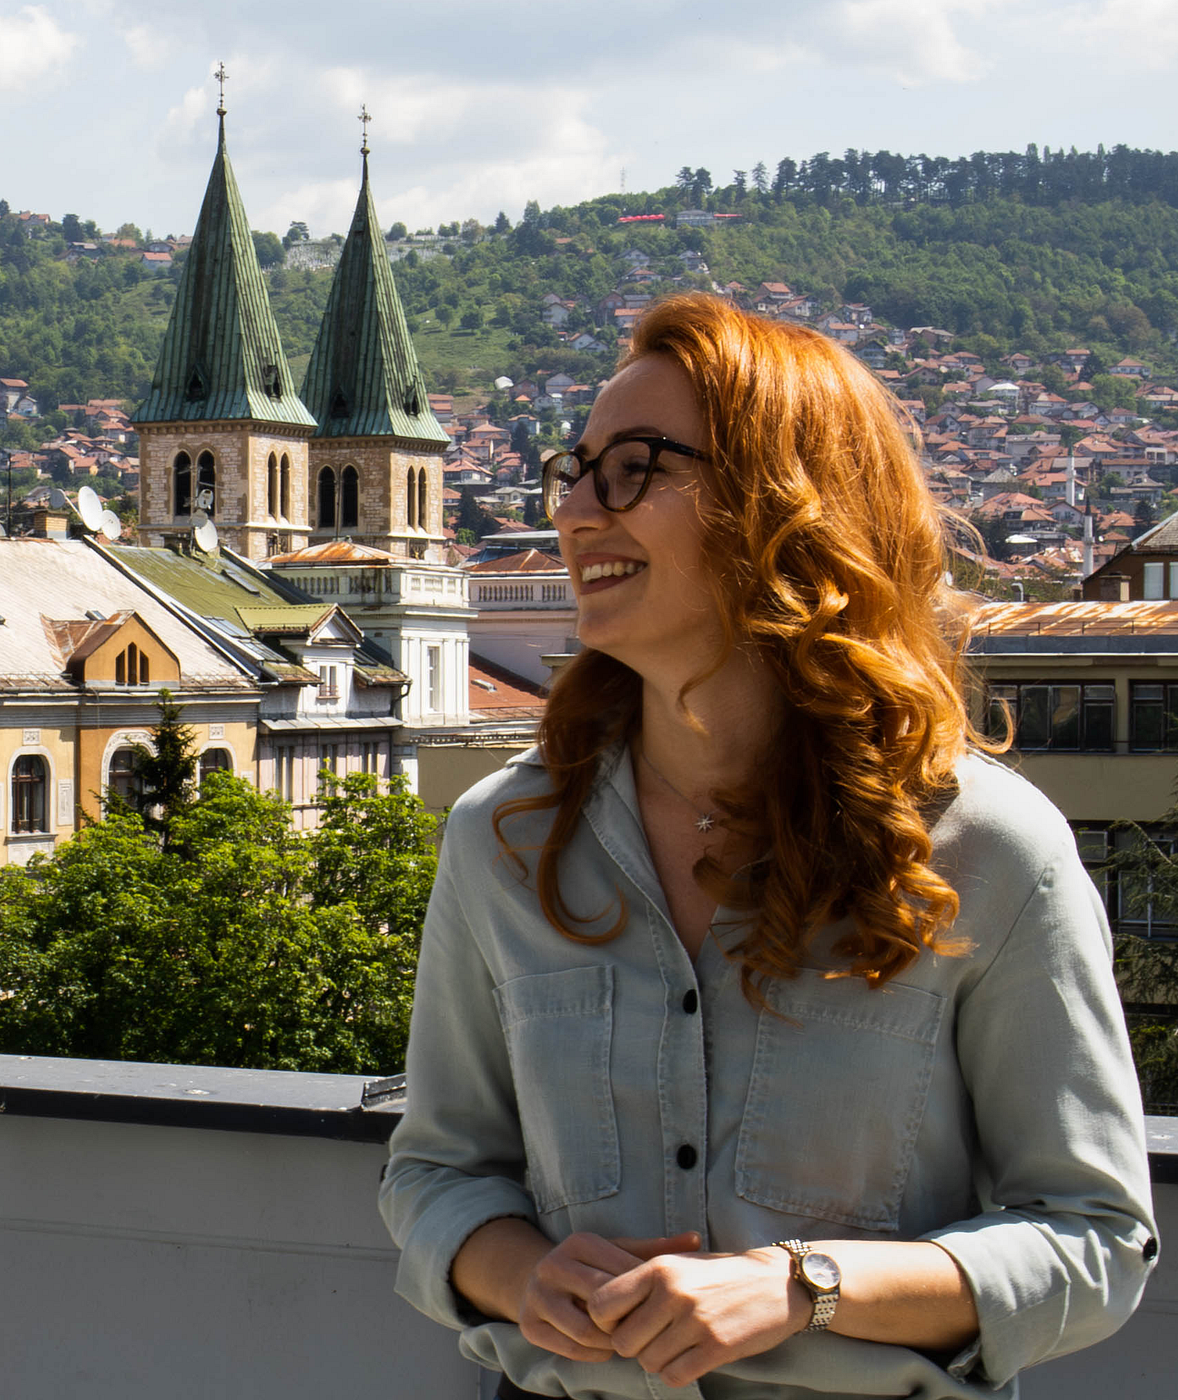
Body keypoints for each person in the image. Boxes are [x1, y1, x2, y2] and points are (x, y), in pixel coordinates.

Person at [378, 294, 1157, 1399]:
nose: (573, 511)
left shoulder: (982, 847)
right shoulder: (505, 838)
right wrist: (521, 1274)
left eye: (634, 466)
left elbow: (1092, 1242)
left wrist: (805, 1286)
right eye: (575, 469)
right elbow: (436, 1173)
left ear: (783, 502)